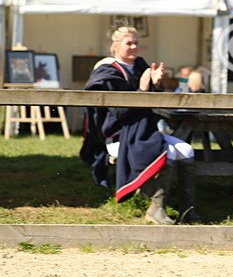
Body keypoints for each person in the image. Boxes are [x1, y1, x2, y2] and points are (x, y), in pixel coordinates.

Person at [80, 26, 198, 224]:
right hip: (119, 133)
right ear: (116, 46)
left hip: (145, 129)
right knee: (166, 153)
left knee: (186, 151)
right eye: (129, 43)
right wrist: (143, 89)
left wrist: (156, 85)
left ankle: (188, 209)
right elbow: (119, 114)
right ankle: (156, 209)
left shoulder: (140, 66)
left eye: (137, 43)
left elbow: (153, 104)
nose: (135, 47)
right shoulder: (107, 73)